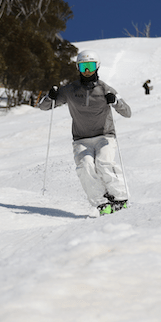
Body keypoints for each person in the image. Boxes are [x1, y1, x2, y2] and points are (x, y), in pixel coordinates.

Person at [39, 50, 132, 215]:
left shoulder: (105, 89)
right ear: (78, 68)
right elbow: (44, 106)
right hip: (81, 139)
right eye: (83, 67)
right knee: (85, 167)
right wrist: (50, 96)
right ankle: (102, 202)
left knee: (104, 164)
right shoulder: (70, 90)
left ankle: (120, 198)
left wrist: (115, 101)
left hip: (105, 136)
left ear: (97, 67)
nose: (87, 71)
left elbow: (127, 112)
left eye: (90, 66)